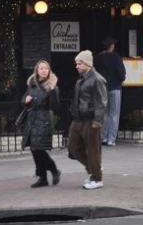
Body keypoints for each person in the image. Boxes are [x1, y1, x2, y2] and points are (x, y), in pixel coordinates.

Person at [68, 50, 108, 190]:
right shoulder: (82, 78)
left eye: (79, 63)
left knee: (93, 150)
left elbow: (101, 102)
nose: (77, 66)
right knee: (72, 147)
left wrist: (97, 121)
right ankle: (94, 169)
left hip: (91, 119)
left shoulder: (97, 79)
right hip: (78, 119)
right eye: (76, 63)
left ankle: (97, 179)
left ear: (87, 64)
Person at [21, 60, 61, 188]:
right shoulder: (32, 85)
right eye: (41, 68)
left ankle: (53, 170)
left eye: (46, 68)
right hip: (32, 120)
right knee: (35, 150)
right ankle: (42, 177)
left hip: (44, 120)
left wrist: (53, 90)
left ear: (49, 71)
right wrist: (26, 101)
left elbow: (55, 106)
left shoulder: (52, 86)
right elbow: (23, 101)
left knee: (39, 149)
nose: (44, 70)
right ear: (37, 71)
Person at [95, 36, 126, 147]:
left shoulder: (98, 58)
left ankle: (103, 137)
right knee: (114, 113)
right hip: (115, 87)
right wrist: (121, 80)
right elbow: (121, 72)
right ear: (112, 46)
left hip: (103, 88)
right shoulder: (116, 58)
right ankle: (111, 139)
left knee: (105, 113)